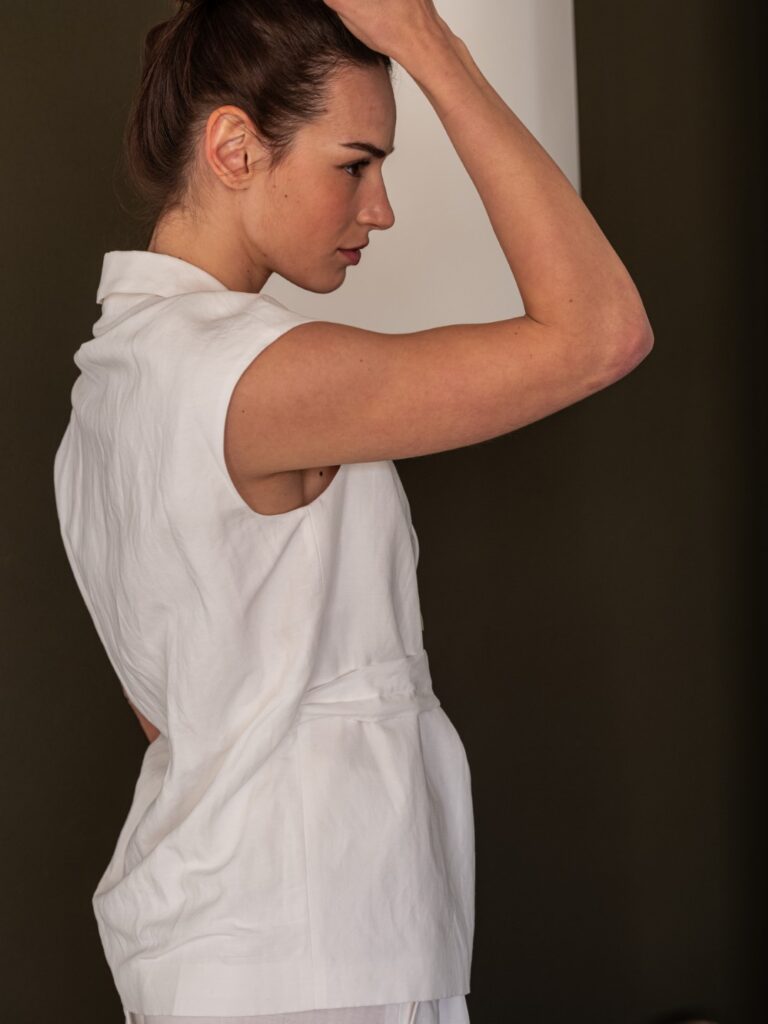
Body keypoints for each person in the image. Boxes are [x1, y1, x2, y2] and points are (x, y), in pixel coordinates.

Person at [52, 1, 654, 1022]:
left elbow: (178, 711)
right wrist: (430, 45)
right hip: (311, 952)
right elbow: (602, 333)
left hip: (239, 949)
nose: (380, 210)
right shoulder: (251, 374)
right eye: (355, 163)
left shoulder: (107, 396)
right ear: (235, 149)